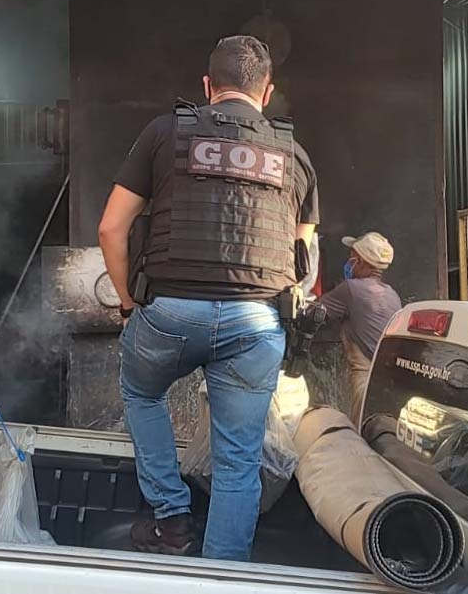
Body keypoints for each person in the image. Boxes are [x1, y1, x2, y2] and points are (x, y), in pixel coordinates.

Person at [97, 35, 319, 561]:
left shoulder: (163, 132)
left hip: (170, 313)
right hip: (256, 325)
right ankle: (224, 575)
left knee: (142, 392)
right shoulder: (295, 156)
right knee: (238, 462)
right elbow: (304, 260)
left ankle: (171, 519)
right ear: (267, 93)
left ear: (207, 86)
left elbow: (111, 229)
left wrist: (129, 305)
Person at [315, 232, 401, 420]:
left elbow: (314, 311)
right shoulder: (392, 294)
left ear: (360, 262)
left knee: (362, 428)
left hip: (366, 379)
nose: (348, 262)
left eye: (351, 258)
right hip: (391, 380)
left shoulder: (351, 289)